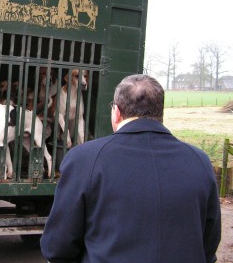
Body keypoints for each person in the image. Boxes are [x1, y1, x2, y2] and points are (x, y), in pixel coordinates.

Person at [41, 74, 221, 263]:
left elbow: (57, 246)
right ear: (160, 113)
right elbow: (209, 244)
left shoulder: (83, 159)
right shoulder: (199, 161)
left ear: (116, 112)